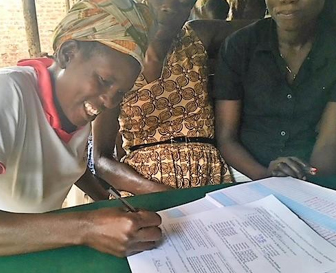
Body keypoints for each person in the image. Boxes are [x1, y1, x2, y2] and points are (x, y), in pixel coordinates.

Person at [0, 0, 162, 258]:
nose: (109, 101)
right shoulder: (3, 94)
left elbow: (68, 164)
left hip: (38, 249)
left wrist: (106, 202)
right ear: (67, 54)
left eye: (120, 92)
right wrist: (85, 228)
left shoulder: (76, 107)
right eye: (104, 81)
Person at [93, 0, 252, 196]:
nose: (168, 7)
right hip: (143, 187)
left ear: (190, 8)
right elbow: (101, 160)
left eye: (182, 2)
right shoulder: (120, 62)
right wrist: (158, 191)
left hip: (208, 180)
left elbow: (269, 28)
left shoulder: (198, 37)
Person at [215, 0, 336, 181]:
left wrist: (311, 182)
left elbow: (329, 141)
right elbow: (227, 138)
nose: (286, 0)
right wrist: (264, 175)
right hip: (245, 172)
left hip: (307, 174)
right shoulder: (240, 46)